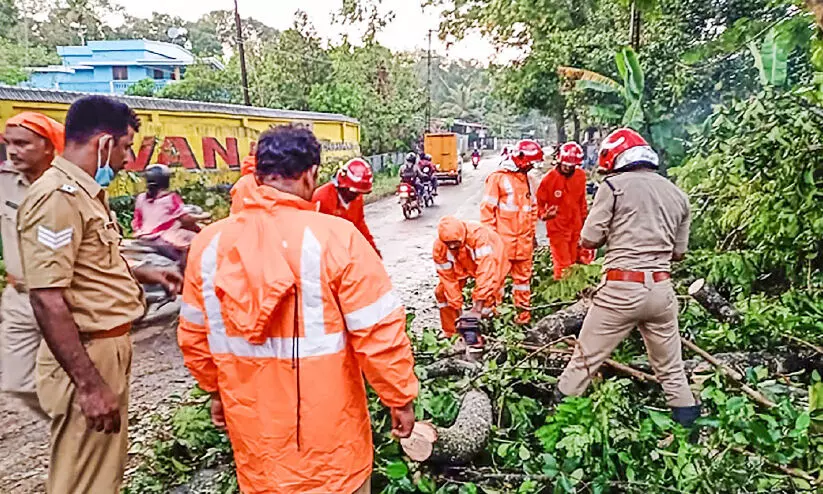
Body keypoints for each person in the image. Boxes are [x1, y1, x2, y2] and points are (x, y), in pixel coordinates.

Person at [178, 125, 419, 494]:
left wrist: (214, 391)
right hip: (332, 450)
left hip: (258, 446)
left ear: (258, 174)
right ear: (310, 174)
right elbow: (378, 333)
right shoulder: (337, 238)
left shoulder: (209, 245)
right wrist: (398, 397)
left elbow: (195, 336)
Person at [16, 95, 182, 494]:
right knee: (84, 481)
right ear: (104, 143)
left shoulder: (84, 194)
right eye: (125, 147)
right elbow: (46, 297)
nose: (128, 160)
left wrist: (145, 271)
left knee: (101, 474)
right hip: (87, 353)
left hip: (106, 346)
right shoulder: (57, 198)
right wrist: (89, 386)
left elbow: (88, 265)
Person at [555, 128, 700, 427]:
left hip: (621, 289)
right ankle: (690, 435)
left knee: (583, 362)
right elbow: (679, 253)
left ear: (616, 158)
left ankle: (555, 426)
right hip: (661, 291)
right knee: (672, 370)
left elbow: (589, 238)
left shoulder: (614, 186)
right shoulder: (678, 195)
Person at [0, 112, 64, 419]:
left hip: (63, 298)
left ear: (49, 146)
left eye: (23, 144)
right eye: (8, 143)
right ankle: (68, 422)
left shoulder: (68, 185)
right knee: (18, 382)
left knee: (75, 375)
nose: (13, 151)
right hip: (20, 295)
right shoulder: (5, 183)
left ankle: (81, 433)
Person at [481, 139, 543, 325]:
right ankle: (496, 319)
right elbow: (487, 211)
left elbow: (532, 212)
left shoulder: (529, 181)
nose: (532, 166)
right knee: (497, 282)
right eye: (530, 162)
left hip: (523, 243)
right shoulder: (498, 178)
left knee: (523, 282)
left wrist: (532, 236)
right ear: (521, 159)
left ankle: (523, 319)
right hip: (502, 243)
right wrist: (490, 240)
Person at [433, 216, 507, 338]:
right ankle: (451, 332)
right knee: (441, 293)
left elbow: (486, 272)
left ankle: (495, 329)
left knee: (491, 295)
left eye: (455, 243)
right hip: (462, 264)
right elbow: (448, 280)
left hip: (493, 256)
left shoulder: (478, 236)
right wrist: (458, 309)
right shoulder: (439, 248)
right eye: (448, 244)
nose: (451, 247)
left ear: (462, 237)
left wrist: (477, 308)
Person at [536, 142, 589, 280]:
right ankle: (563, 292)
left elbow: (582, 202)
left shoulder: (580, 176)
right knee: (562, 264)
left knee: (576, 261)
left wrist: (586, 224)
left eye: (571, 166)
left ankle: (575, 291)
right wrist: (545, 215)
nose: (567, 168)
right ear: (559, 161)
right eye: (565, 164)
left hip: (576, 227)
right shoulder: (549, 179)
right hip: (557, 229)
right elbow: (538, 205)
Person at [132, 164, 201, 267]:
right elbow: (185, 219)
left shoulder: (141, 198)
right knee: (196, 242)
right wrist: (203, 219)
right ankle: (184, 271)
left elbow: (136, 222)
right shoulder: (171, 198)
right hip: (164, 238)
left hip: (142, 237)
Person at [313, 158, 381, 256]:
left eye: (360, 193)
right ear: (343, 186)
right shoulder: (321, 198)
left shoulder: (356, 199)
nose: (357, 196)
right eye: (354, 193)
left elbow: (360, 226)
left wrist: (373, 251)